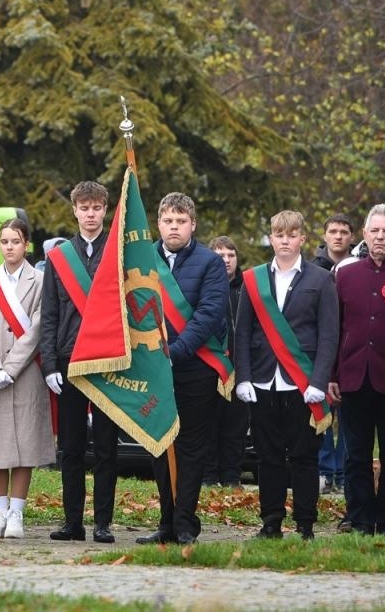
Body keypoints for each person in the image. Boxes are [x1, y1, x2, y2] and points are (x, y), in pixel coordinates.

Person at [235, 210, 339, 540]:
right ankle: (271, 523)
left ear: (302, 239)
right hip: (263, 381)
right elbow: (242, 333)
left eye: (291, 235)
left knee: (305, 458)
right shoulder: (253, 279)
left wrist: (319, 382)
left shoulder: (321, 279)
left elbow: (329, 335)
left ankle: (305, 525)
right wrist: (244, 378)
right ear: (270, 238)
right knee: (268, 458)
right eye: (278, 234)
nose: (284, 240)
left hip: (303, 382)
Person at [137, 193, 227, 546]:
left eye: (181, 221)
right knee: (160, 445)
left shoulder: (210, 263)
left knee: (190, 448)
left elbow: (209, 314)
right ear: (158, 224)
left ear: (193, 224)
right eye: (168, 221)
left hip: (195, 368)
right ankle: (166, 524)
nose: (174, 227)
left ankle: (186, 523)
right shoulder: (143, 261)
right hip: (154, 369)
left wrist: (176, 351)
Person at [330, 203, 385, 535]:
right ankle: (360, 518)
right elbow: (335, 328)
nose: (380, 237)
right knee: (355, 455)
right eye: (375, 231)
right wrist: (332, 375)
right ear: (365, 234)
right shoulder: (345, 272)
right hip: (353, 378)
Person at [39, 180, 119, 543]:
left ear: (105, 210)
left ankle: (103, 522)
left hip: (106, 359)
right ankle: (73, 521)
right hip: (69, 359)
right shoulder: (60, 257)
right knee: (70, 447)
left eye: (96, 208)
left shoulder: (117, 252)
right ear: (74, 210)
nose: (90, 214)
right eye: (84, 208)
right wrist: (50, 364)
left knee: (105, 446)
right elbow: (50, 314)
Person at [0, 217, 54, 540]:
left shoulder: (40, 280)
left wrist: (12, 366)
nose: (10, 247)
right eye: (4, 242)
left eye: (15, 242)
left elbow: (37, 326)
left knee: (25, 443)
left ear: (27, 245)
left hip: (26, 372)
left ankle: (17, 513)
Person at [312, 214, 354, 494]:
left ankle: (344, 470)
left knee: (349, 419)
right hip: (320, 352)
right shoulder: (312, 269)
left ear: (352, 237)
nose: (338, 236)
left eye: (344, 232)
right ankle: (326, 471)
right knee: (322, 415)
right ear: (325, 236)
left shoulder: (359, 267)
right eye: (333, 231)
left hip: (350, 352)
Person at [205, 235, 249, 487]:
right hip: (211, 367)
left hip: (240, 370)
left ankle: (232, 476)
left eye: (231, 255)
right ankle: (209, 477)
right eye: (220, 256)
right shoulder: (206, 287)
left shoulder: (248, 288)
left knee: (236, 427)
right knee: (209, 425)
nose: (226, 260)